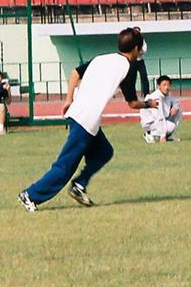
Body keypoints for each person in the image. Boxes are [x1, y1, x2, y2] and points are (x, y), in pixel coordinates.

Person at [18, 28, 156, 211]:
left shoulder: (102, 58)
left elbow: (75, 73)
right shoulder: (128, 67)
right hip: (86, 120)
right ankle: (30, 195)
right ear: (136, 48)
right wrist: (148, 104)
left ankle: (79, 185)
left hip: (80, 113)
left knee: (104, 152)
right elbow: (131, 103)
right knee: (65, 165)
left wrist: (69, 99)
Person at [141, 74, 183, 143]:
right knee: (170, 126)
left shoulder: (168, 95)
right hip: (150, 122)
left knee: (178, 111)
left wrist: (175, 107)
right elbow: (158, 117)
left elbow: (176, 102)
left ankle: (168, 136)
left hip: (161, 120)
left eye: (168, 85)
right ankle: (149, 134)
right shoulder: (155, 98)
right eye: (164, 85)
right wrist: (162, 135)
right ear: (159, 86)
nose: (166, 87)